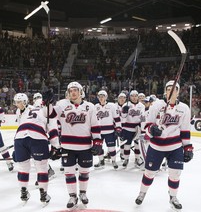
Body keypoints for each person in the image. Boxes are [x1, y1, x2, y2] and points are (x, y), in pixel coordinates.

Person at [135, 81, 194, 210]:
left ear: (178, 92)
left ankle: (173, 197)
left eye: (174, 89)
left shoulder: (184, 108)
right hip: (157, 147)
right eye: (168, 89)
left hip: (175, 146)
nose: (171, 91)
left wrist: (188, 147)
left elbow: (185, 130)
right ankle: (142, 192)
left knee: (175, 173)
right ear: (165, 91)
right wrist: (152, 130)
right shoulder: (157, 105)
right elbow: (147, 125)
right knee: (149, 173)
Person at [42, 81, 101, 209]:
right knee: (69, 172)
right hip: (67, 146)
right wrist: (46, 102)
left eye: (75, 90)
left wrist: (97, 141)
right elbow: (48, 114)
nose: (73, 92)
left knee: (84, 172)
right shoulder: (62, 104)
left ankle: (83, 193)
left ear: (81, 92)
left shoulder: (90, 106)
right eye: (70, 90)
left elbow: (95, 126)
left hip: (85, 146)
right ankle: (72, 196)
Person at [13, 93, 61, 205]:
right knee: (42, 167)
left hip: (19, 138)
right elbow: (53, 130)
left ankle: (23, 192)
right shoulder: (48, 111)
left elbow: (20, 128)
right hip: (38, 137)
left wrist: (17, 150)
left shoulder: (25, 111)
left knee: (23, 167)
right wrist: (56, 147)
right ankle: (43, 194)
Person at [94, 90, 122, 170]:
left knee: (111, 148)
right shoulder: (95, 107)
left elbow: (117, 118)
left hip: (110, 131)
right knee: (98, 147)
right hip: (98, 132)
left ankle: (113, 161)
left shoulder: (112, 106)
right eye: (100, 96)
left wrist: (118, 128)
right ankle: (101, 161)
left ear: (106, 97)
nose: (101, 98)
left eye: (103, 96)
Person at [121, 90, 145, 168]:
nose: (134, 98)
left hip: (137, 129)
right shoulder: (125, 104)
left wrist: (142, 128)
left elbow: (143, 118)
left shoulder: (142, 105)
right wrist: (124, 112)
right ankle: (126, 159)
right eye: (132, 96)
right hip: (127, 128)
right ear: (130, 97)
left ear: (137, 96)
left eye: (135, 96)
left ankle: (137, 159)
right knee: (127, 145)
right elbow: (123, 118)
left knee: (137, 145)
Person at [115, 92, 127, 160]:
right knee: (112, 139)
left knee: (123, 140)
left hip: (126, 125)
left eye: (123, 98)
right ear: (118, 99)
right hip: (116, 125)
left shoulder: (128, 105)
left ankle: (122, 153)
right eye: (120, 98)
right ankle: (109, 152)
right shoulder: (114, 106)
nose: (122, 99)